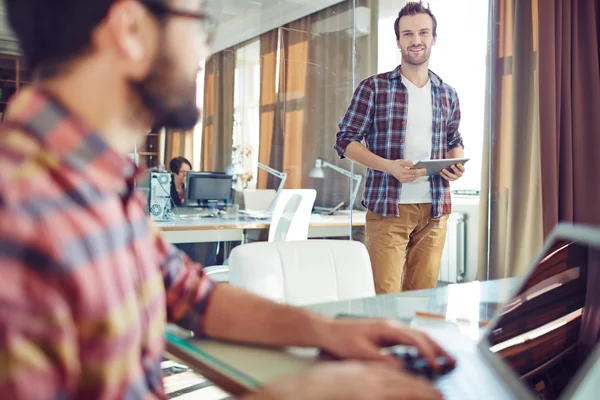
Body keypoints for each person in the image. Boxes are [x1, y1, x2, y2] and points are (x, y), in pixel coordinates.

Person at [0, 1, 451, 399]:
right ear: (130, 31)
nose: (203, 49)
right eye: (198, 20)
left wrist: (327, 332)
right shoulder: (21, 215)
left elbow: (193, 297)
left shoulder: (95, 179)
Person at [334, 1, 465, 295]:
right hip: (387, 209)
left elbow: (454, 140)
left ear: (433, 38)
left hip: (435, 209)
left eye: (423, 33)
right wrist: (389, 166)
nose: (416, 40)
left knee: (422, 300)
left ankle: (414, 344)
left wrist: (455, 163)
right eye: (407, 34)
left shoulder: (447, 93)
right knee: (386, 298)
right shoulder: (375, 88)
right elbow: (345, 140)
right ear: (398, 41)